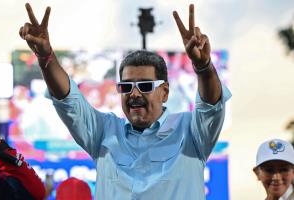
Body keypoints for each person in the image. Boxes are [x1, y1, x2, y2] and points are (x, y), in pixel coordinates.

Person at [19, 3, 231, 199]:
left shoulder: (191, 132)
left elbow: (211, 106)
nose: (135, 94)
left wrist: (204, 68)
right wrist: (45, 57)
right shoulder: (103, 131)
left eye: (146, 86)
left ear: (164, 92)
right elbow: (67, 100)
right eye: (126, 86)